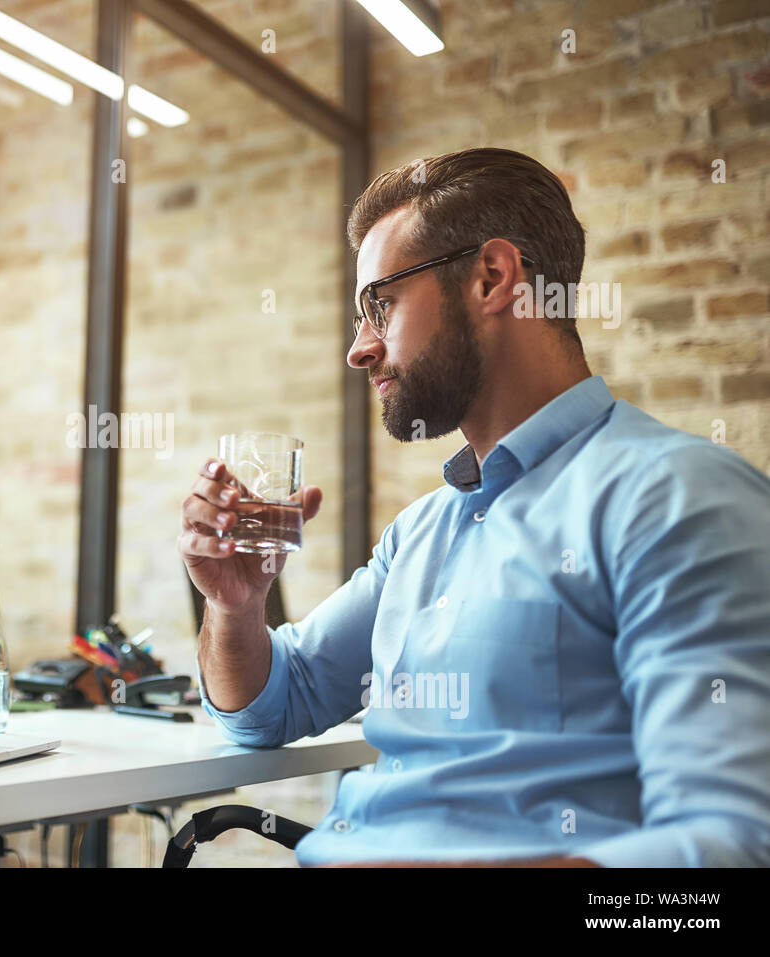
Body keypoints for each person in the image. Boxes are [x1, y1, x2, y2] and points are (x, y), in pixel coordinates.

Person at [180, 147, 770, 867]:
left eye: (380, 304)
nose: (359, 349)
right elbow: (273, 704)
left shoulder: (676, 496)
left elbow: (731, 847)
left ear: (492, 277)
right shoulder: (422, 532)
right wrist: (236, 607)